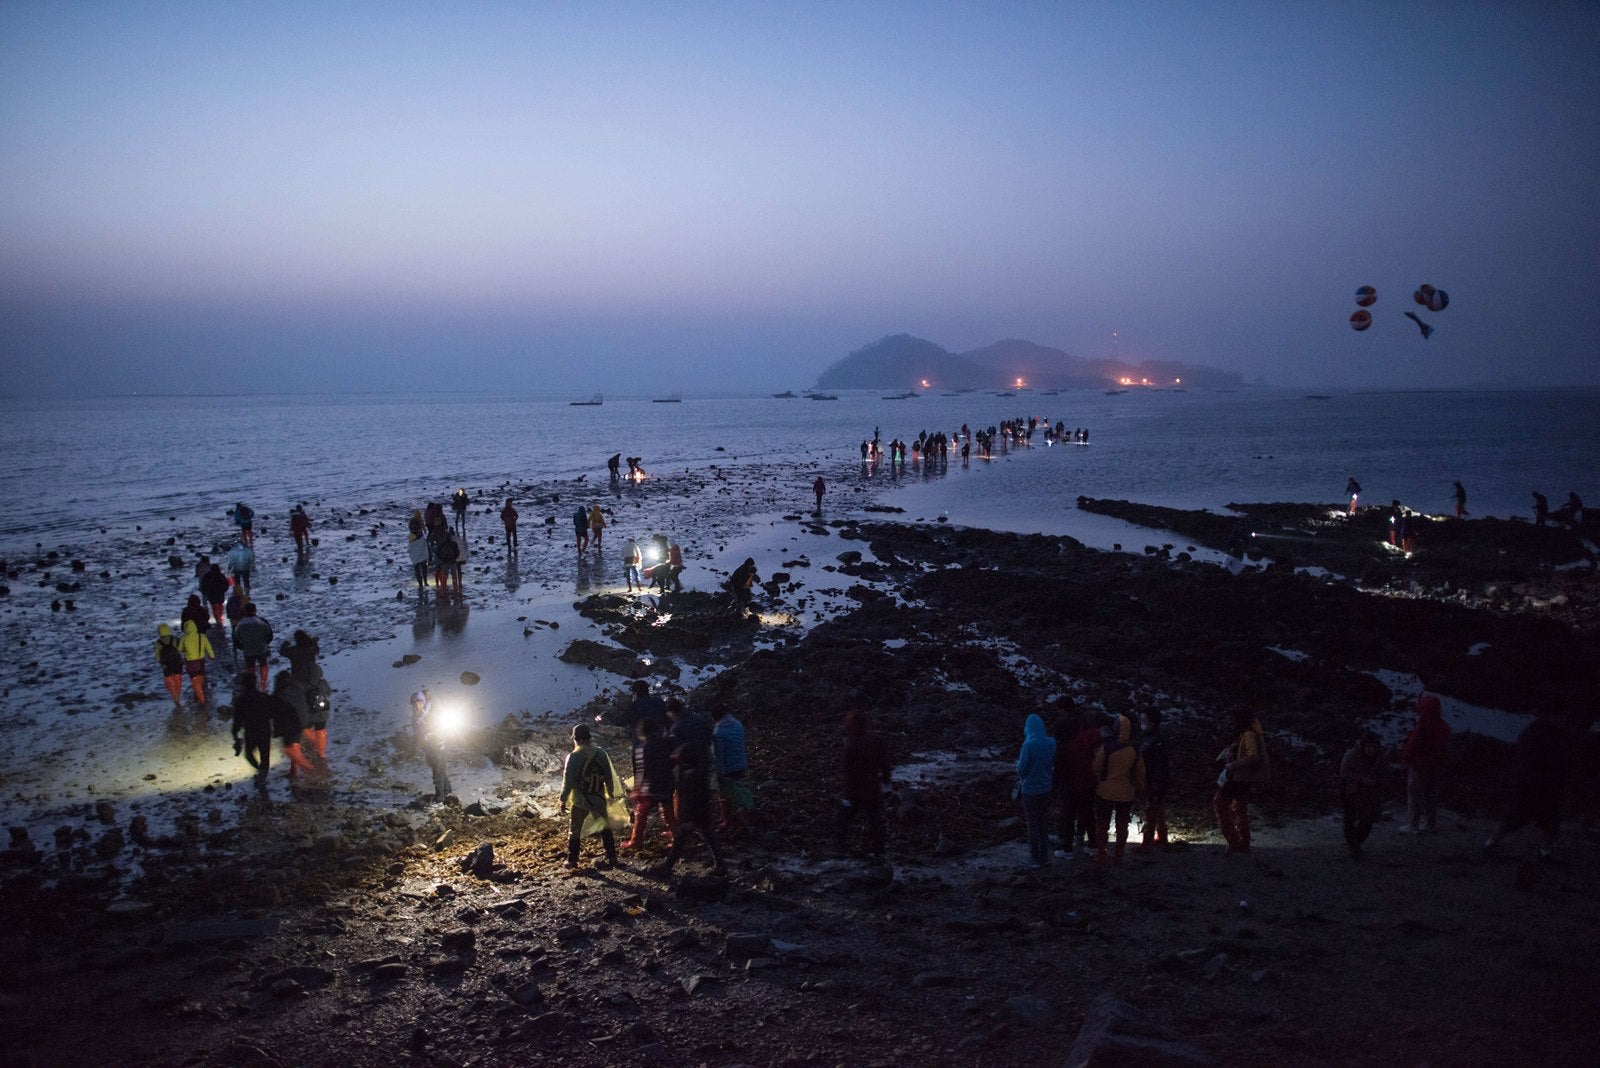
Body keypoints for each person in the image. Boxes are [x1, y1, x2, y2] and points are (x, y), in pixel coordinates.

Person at [1483, 710, 1568, 861]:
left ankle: (1545, 851)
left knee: (1548, 820)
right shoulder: (1540, 735)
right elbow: (1549, 761)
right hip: (1533, 784)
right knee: (1518, 817)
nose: (1564, 719)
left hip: (1539, 785)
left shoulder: (1539, 733)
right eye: (1561, 716)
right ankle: (1491, 842)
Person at [650, 728, 726, 879]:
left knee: (682, 838)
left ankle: (667, 866)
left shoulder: (688, 775)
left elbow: (689, 797)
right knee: (708, 835)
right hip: (701, 810)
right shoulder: (698, 769)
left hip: (693, 812)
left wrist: (686, 818)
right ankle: (720, 865)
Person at [559, 724, 620, 869]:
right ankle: (612, 857)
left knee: (575, 830)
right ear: (589, 737)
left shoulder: (573, 756)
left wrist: (563, 799)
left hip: (580, 799)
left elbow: (568, 781)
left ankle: (572, 860)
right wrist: (611, 792)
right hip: (598, 797)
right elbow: (608, 775)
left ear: (576, 739)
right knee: (604, 827)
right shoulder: (601, 753)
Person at [1214, 707, 1270, 854]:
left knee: (1220, 803)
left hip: (1239, 777)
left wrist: (1233, 765)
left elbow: (1253, 757)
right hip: (1243, 778)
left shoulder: (1249, 734)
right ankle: (1243, 844)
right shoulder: (1247, 734)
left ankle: (1235, 842)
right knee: (1239, 808)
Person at [837, 710, 892, 858]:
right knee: (875, 820)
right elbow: (885, 764)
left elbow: (848, 773)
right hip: (873, 788)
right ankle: (879, 851)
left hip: (856, 791)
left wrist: (846, 795)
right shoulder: (876, 741)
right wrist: (887, 783)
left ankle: (839, 847)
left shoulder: (851, 746)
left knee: (844, 818)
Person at [1092, 714, 1146, 863]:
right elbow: (1140, 773)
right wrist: (1140, 789)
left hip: (1105, 791)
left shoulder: (1106, 748)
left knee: (1102, 823)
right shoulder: (1134, 750)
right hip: (1126, 793)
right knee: (1122, 824)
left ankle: (1101, 854)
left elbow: (1096, 767)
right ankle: (1118, 854)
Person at [1398, 693, 1450, 834]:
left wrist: (1405, 759)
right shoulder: (1444, 726)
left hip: (1420, 766)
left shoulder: (1423, 725)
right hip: (1436, 766)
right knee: (1431, 795)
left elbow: (1412, 744)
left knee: (1414, 794)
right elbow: (1446, 748)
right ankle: (1429, 823)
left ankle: (1413, 825)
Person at [622, 717, 677, 849]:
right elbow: (673, 761)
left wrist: (637, 788)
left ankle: (635, 841)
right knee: (669, 812)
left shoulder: (643, 747)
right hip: (667, 783)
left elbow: (641, 771)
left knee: (641, 814)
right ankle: (677, 837)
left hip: (651, 786)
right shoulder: (667, 743)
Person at [1054, 702, 1099, 858]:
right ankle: (1093, 845)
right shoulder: (1083, 743)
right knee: (1088, 815)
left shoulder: (1064, 749)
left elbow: (1061, 771)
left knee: (1068, 816)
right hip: (1088, 785)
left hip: (1072, 787)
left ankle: (1067, 849)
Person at [1015, 713, 1057, 869]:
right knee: (1043, 822)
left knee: (1032, 823)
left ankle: (1034, 856)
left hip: (1030, 789)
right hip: (1046, 787)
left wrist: (1017, 765)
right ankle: (1045, 855)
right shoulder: (1051, 742)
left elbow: (1022, 769)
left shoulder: (1029, 745)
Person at [1339, 730, 1385, 858]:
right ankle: (1352, 844)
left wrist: (1377, 782)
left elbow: (1385, 773)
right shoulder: (1351, 755)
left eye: (1374, 747)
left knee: (1367, 820)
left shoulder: (1381, 757)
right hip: (1351, 790)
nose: (1371, 750)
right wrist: (1361, 779)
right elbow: (1344, 773)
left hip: (1370, 793)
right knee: (1350, 818)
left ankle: (1357, 842)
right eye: (1368, 747)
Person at [231, 671, 275, 792]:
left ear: (243, 685)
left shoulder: (241, 701)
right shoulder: (264, 697)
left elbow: (237, 720)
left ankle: (260, 771)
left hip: (251, 731)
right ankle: (262, 776)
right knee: (265, 755)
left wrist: (235, 734)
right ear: (255, 683)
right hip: (265, 730)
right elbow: (273, 712)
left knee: (249, 754)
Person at [270, 671, 318, 780]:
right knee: (294, 747)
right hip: (302, 723)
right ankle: (294, 770)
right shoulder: (298, 690)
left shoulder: (280, 695)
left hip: (290, 726)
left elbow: (275, 713)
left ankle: (308, 769)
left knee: (290, 749)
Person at [1135, 708, 1171, 853]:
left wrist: (1156, 781)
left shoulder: (1158, 740)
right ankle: (1162, 837)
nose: (1142, 724)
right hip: (1149, 778)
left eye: (1144, 721)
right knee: (1157, 809)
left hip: (1154, 779)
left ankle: (1147, 843)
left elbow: (1161, 763)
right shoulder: (1148, 737)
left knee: (1150, 810)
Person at [712, 706, 752, 832]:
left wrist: (719, 773)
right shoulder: (738, 725)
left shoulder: (718, 732)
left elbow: (719, 755)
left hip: (728, 769)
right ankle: (742, 813)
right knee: (739, 791)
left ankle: (727, 821)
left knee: (723, 796)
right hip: (740, 764)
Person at [411, 689, 453, 800]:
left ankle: (439, 799)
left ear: (424, 701)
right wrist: (417, 746)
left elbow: (440, 727)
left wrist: (430, 735)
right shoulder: (416, 716)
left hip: (440, 745)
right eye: (414, 704)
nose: (417, 705)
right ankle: (447, 791)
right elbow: (417, 732)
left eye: (419, 702)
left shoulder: (434, 711)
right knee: (437, 768)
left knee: (437, 772)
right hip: (428, 747)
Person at [232, 603, 274, 691]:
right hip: (261, 648)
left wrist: (243, 647)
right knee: (263, 665)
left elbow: (235, 640)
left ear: (245, 611)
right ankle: (264, 685)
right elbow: (270, 635)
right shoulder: (262, 621)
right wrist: (265, 643)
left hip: (248, 650)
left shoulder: (239, 624)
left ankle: (252, 686)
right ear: (255, 610)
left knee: (250, 667)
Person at [178, 618, 215, 705]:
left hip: (190, 662)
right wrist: (212, 656)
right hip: (201, 660)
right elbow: (208, 647)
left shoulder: (184, 638)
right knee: (201, 675)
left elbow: (179, 649)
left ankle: (199, 696)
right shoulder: (201, 636)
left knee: (194, 679)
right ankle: (202, 690)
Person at [153, 623, 185, 709]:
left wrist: (161, 663)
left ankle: (175, 698)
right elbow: (181, 649)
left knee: (169, 681)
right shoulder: (174, 639)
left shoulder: (158, 643)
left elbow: (157, 656)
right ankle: (178, 694)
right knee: (178, 679)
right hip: (177, 663)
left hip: (166, 665)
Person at [200, 563, 230, 629]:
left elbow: (203, 585)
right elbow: (226, 585)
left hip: (211, 595)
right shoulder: (221, 575)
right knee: (220, 606)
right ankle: (220, 619)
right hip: (220, 594)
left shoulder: (207, 576)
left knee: (214, 607)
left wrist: (205, 592)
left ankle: (218, 620)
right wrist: (224, 590)